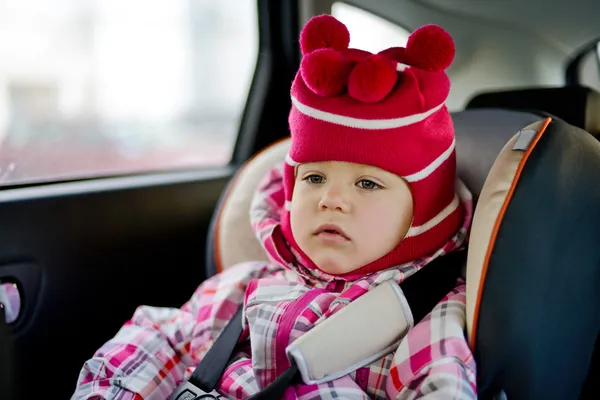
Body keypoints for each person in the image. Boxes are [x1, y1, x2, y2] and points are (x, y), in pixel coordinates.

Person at [73, 14, 476, 399]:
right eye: (314, 178)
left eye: (368, 183)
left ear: (424, 212)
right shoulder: (243, 286)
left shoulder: (422, 318)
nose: (330, 199)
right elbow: (159, 340)